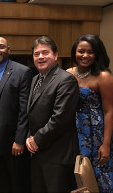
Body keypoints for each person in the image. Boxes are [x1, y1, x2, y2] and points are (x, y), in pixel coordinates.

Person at [67, 34, 113, 193]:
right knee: (77, 175)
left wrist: (105, 144)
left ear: (97, 54)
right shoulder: (68, 73)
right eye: (81, 51)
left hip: (97, 134)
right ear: (74, 52)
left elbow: (109, 111)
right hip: (74, 132)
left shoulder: (103, 77)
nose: (84, 55)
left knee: (100, 178)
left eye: (90, 52)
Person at [26, 36, 79, 192]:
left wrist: (37, 139)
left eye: (45, 52)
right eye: (36, 54)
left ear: (55, 55)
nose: (40, 57)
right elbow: (33, 114)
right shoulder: (35, 78)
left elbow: (60, 118)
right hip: (38, 153)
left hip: (58, 155)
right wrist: (30, 138)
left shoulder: (66, 80)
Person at [0, 37, 32, 192]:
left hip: (12, 142)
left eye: (1, 46)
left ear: (8, 50)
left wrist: (19, 140)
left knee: (17, 183)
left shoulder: (22, 72)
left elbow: (25, 111)